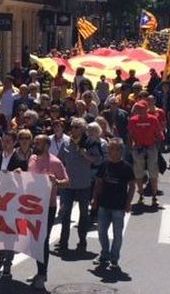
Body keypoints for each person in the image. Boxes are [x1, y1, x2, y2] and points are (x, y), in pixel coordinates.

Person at [27, 134, 69, 290]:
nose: (35, 144)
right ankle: (39, 271)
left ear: (46, 145)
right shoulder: (32, 159)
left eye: (38, 143)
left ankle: (43, 275)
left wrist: (56, 182)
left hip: (48, 206)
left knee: (42, 240)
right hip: (31, 205)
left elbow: (66, 182)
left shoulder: (55, 162)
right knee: (33, 240)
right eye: (35, 141)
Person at [57, 118, 101, 252]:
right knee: (65, 213)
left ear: (83, 129)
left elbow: (98, 160)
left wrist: (86, 156)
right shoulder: (65, 142)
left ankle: (82, 241)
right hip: (68, 185)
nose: (73, 129)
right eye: (72, 127)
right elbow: (59, 161)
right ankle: (63, 241)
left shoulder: (91, 143)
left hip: (84, 184)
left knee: (84, 214)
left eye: (77, 127)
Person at [91, 138, 136, 269]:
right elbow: (98, 183)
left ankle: (114, 258)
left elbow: (132, 186)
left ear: (120, 151)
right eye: (109, 148)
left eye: (113, 148)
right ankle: (104, 254)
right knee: (101, 231)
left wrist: (128, 203)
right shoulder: (104, 165)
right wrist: (94, 199)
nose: (110, 151)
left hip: (119, 206)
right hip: (104, 204)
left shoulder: (127, 167)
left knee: (117, 234)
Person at [0, 131, 28, 278]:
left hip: (12, 201)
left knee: (10, 233)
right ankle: (0, 257)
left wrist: (19, 175)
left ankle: (8, 263)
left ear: (14, 143)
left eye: (8, 141)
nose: (5, 144)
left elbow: (24, 182)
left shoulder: (20, 160)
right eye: (3, 141)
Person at [127, 100, 164, 206]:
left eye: (142, 108)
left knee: (153, 172)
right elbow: (130, 135)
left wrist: (156, 148)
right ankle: (141, 195)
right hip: (138, 148)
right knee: (138, 172)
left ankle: (154, 196)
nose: (140, 110)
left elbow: (159, 135)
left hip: (151, 147)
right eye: (138, 108)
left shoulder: (153, 119)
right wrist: (130, 149)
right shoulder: (133, 120)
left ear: (146, 108)